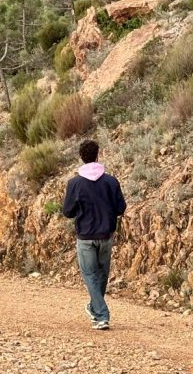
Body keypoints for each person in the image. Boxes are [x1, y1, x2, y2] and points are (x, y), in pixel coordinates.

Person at [62, 139, 126, 331]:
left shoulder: (74, 183)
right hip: (106, 235)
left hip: (85, 237)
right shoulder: (111, 181)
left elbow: (68, 212)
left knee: (90, 275)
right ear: (98, 155)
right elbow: (120, 208)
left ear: (81, 158)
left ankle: (102, 315)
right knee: (101, 275)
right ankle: (95, 308)